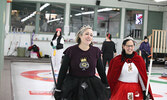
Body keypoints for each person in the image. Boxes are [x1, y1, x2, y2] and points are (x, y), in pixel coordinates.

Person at [53, 25, 110, 100]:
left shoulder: (96, 51)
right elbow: (63, 71)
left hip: (91, 87)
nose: (89, 36)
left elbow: (101, 71)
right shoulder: (70, 51)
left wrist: (106, 85)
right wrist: (58, 88)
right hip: (73, 86)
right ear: (80, 35)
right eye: (86, 34)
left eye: (91, 35)